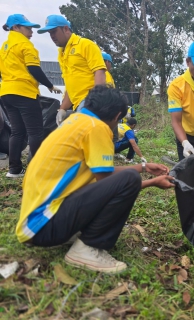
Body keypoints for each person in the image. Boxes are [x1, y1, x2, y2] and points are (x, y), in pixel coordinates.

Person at [15, 85, 175, 273]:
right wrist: (151, 182)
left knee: (129, 176)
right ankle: (87, 248)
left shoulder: (75, 121)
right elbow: (106, 181)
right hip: (45, 226)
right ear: (116, 116)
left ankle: (75, 235)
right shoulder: (96, 127)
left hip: (34, 225)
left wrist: (144, 167)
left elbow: (102, 173)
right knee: (130, 178)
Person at [0, 14, 62, 178]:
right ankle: (37, 168)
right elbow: (34, 69)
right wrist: (50, 85)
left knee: (17, 132)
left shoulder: (5, 47)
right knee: (35, 131)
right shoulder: (25, 45)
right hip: (24, 92)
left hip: (6, 93)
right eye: (27, 27)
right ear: (16, 28)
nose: (31, 31)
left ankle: (14, 170)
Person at [37, 15, 106, 124]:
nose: (52, 36)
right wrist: (62, 109)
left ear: (65, 29)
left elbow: (99, 71)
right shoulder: (62, 54)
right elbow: (71, 86)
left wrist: (96, 100)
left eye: (54, 31)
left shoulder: (85, 45)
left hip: (90, 100)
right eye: (50, 33)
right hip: (78, 103)